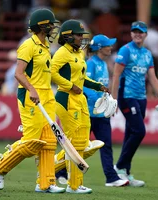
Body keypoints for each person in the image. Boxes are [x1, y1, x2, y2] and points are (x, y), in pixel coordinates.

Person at [0, 8, 65, 193]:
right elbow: (18, 73)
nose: (53, 29)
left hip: (47, 96)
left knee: (49, 142)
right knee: (31, 142)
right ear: (40, 26)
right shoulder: (28, 45)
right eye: (49, 25)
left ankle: (46, 183)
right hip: (31, 97)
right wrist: (31, 88)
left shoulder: (46, 45)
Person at [51, 19, 109, 194]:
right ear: (68, 36)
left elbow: (82, 79)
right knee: (75, 142)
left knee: (83, 143)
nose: (82, 39)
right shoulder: (62, 53)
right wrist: (70, 86)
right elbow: (52, 73)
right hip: (66, 99)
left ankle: (52, 164)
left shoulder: (79, 54)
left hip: (79, 99)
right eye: (79, 35)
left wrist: (97, 86)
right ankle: (74, 185)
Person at [111, 21, 158, 187]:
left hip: (141, 98)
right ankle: (120, 166)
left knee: (131, 132)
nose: (137, 34)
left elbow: (152, 78)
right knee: (139, 131)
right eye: (134, 32)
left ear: (145, 35)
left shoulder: (147, 54)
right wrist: (114, 100)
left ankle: (125, 172)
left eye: (141, 32)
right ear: (131, 33)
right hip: (126, 96)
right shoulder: (125, 51)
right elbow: (116, 75)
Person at [83, 34, 129, 187]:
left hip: (100, 113)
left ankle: (111, 178)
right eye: (108, 45)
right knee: (79, 145)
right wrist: (98, 100)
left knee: (106, 145)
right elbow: (84, 86)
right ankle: (61, 172)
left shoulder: (103, 63)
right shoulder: (91, 64)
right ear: (99, 48)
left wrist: (107, 102)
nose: (111, 47)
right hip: (88, 113)